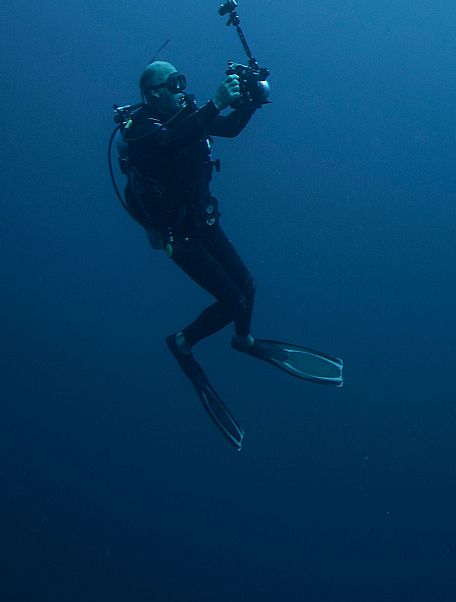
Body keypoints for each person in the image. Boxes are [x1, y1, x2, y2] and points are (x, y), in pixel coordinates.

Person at [117, 60, 343, 450]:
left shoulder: (185, 116)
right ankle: (182, 342)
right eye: (174, 83)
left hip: (203, 220)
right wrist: (215, 102)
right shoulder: (141, 131)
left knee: (248, 287)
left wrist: (250, 101)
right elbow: (168, 142)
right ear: (153, 93)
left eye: (182, 80)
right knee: (232, 300)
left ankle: (244, 340)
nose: (181, 89)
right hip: (179, 235)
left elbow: (228, 129)